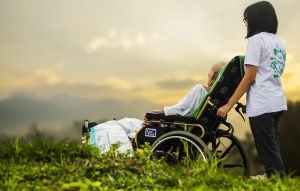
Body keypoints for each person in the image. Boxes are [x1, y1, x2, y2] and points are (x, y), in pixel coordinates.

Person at [87, 62, 225, 153]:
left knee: (121, 125)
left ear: (212, 74)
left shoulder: (199, 90)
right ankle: (97, 131)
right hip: (186, 127)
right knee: (126, 122)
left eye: (209, 72)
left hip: (175, 127)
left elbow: (177, 110)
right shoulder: (216, 99)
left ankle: (95, 134)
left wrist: (154, 114)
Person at [217, 1, 287, 177]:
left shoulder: (256, 40)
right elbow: (270, 74)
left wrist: (228, 105)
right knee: (273, 148)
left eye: (246, 19)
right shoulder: (279, 42)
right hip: (277, 102)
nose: (246, 23)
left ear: (256, 19)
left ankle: (278, 181)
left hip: (263, 105)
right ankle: (276, 179)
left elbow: (249, 78)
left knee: (269, 154)